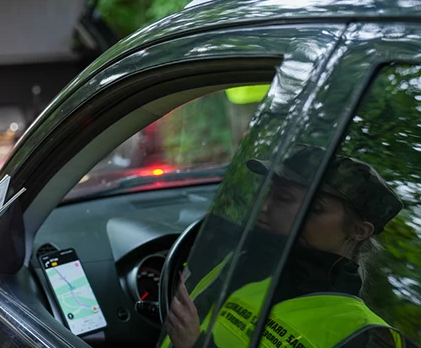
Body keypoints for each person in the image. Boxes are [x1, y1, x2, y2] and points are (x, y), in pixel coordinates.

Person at [164, 144, 413, 348]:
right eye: (269, 193)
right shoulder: (241, 260)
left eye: (284, 198)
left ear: (359, 231)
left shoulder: (363, 335)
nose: (263, 207)